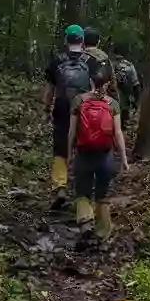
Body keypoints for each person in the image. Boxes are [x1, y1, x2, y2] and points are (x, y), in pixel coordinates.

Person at [68, 65, 130, 238]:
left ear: (90, 82)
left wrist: (69, 154)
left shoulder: (79, 100)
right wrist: (124, 158)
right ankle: (103, 233)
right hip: (105, 154)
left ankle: (85, 225)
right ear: (108, 83)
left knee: (82, 190)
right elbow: (118, 133)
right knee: (103, 193)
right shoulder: (113, 104)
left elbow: (72, 132)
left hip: (83, 153)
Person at [43, 25, 97, 188]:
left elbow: (50, 90)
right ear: (82, 41)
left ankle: (60, 185)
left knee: (60, 145)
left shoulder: (57, 60)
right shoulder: (91, 61)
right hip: (84, 107)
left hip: (62, 106)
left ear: (66, 39)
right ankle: (83, 182)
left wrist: (46, 109)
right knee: (84, 143)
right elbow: (96, 90)